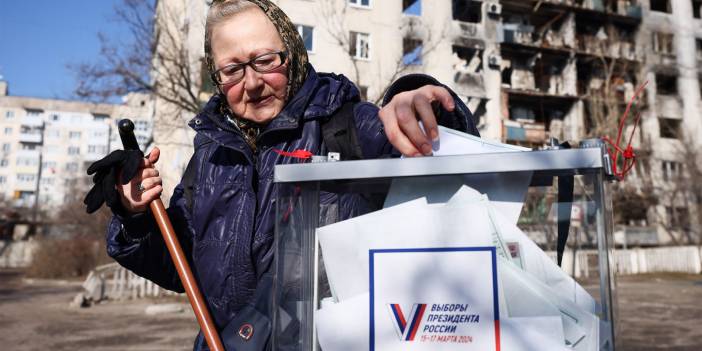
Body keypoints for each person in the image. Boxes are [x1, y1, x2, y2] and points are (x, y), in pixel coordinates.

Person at [86, 0, 479, 349]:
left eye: (264, 61)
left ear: (291, 52)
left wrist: (419, 101)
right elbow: (184, 270)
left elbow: (459, 171)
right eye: (232, 69)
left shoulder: (350, 127)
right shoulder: (209, 159)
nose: (252, 83)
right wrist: (135, 216)